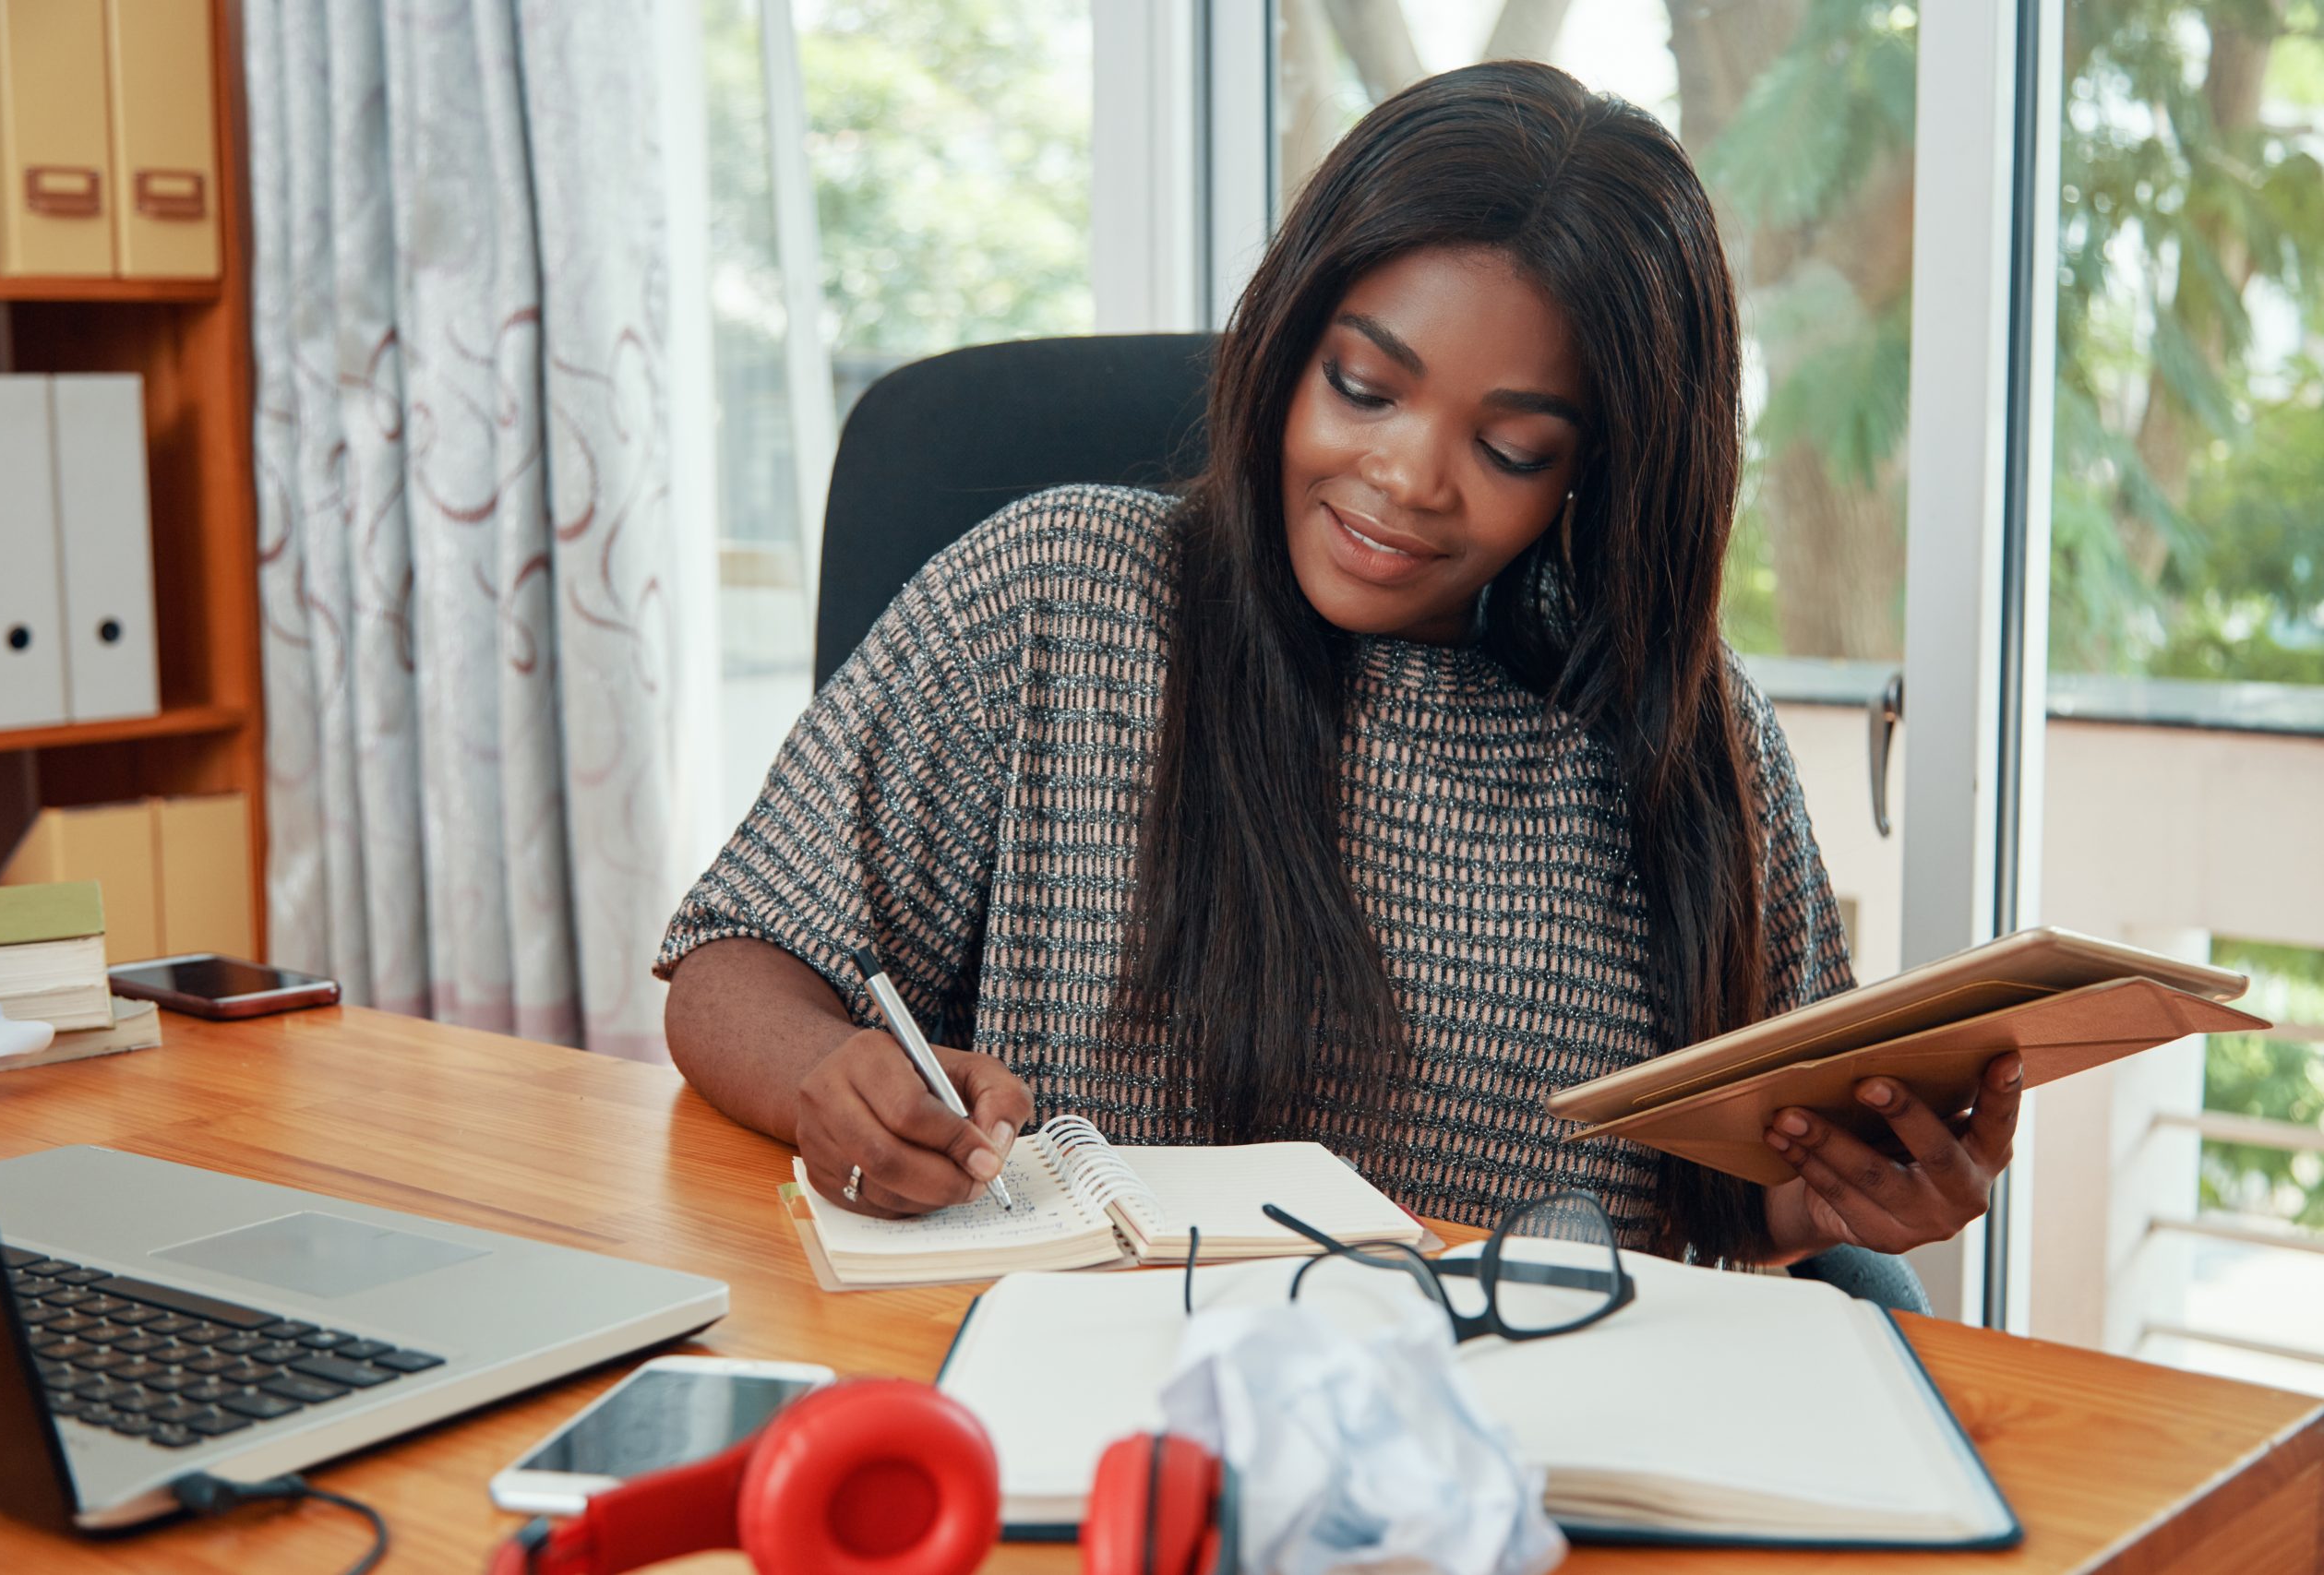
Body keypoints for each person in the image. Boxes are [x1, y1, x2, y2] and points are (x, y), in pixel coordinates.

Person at [657, 60, 2019, 1268]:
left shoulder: (1683, 733)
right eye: (1365, 388)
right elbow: (736, 962)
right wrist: (828, 1076)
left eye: (1510, 449)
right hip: (1089, 1420)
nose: (1405, 480)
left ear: (1593, 472)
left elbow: (1737, 1202)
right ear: (1289, 344)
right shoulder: (1059, 597)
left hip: (1505, 1451)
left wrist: (1846, 1201)